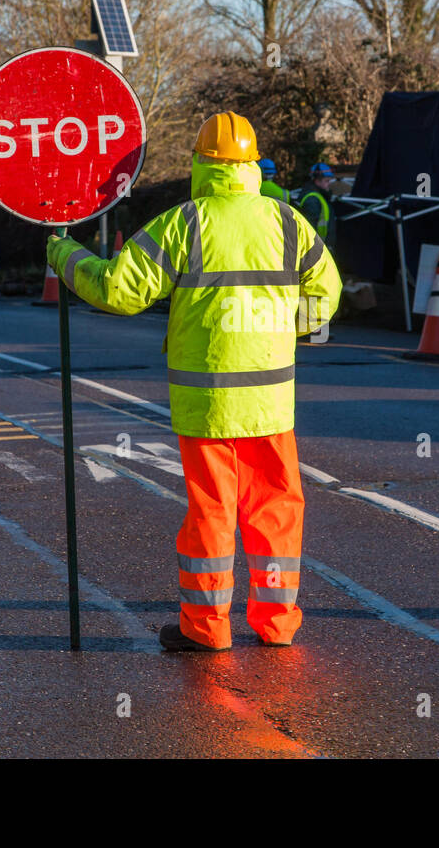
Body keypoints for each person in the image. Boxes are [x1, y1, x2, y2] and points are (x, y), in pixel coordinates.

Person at [46, 111, 342, 652]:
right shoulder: (288, 221)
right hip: (272, 402)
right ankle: (276, 626)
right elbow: (325, 294)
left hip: (205, 404)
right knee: (276, 511)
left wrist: (63, 253)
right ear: (252, 164)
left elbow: (119, 290)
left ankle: (206, 629)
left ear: (201, 163)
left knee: (213, 513)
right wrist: (287, 332)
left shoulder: (184, 224)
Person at [299, 162, 336, 245]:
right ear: (317, 180)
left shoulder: (320, 196)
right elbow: (310, 230)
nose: (329, 183)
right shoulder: (312, 200)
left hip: (321, 248)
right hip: (318, 250)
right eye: (326, 180)